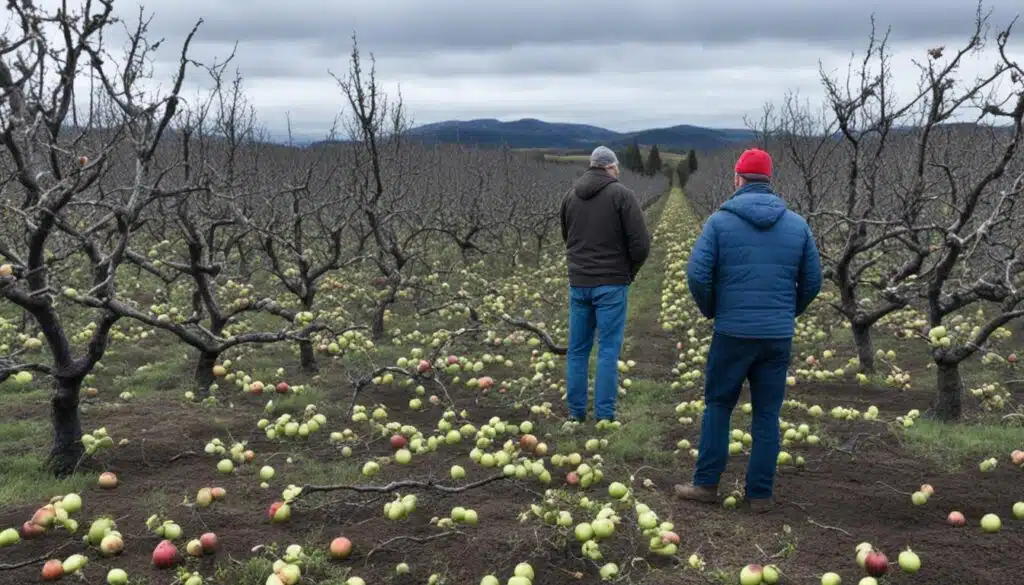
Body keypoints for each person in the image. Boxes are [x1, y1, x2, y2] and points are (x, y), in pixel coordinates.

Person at [674, 147, 822, 512]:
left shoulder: (719, 222)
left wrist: (713, 309)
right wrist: (788, 313)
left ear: (737, 179)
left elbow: (697, 274)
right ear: (769, 181)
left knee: (719, 405)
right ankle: (760, 495)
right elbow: (814, 281)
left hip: (733, 332)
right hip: (776, 336)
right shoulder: (797, 224)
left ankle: (706, 484)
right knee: (767, 414)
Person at [559, 145, 651, 423]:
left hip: (579, 283)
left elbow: (567, 237)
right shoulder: (622, 195)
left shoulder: (570, 196)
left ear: (591, 165)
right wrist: (628, 272)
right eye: (617, 168)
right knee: (608, 349)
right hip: (611, 283)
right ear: (610, 167)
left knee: (577, 350)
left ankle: (575, 415)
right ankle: (605, 416)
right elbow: (641, 245)